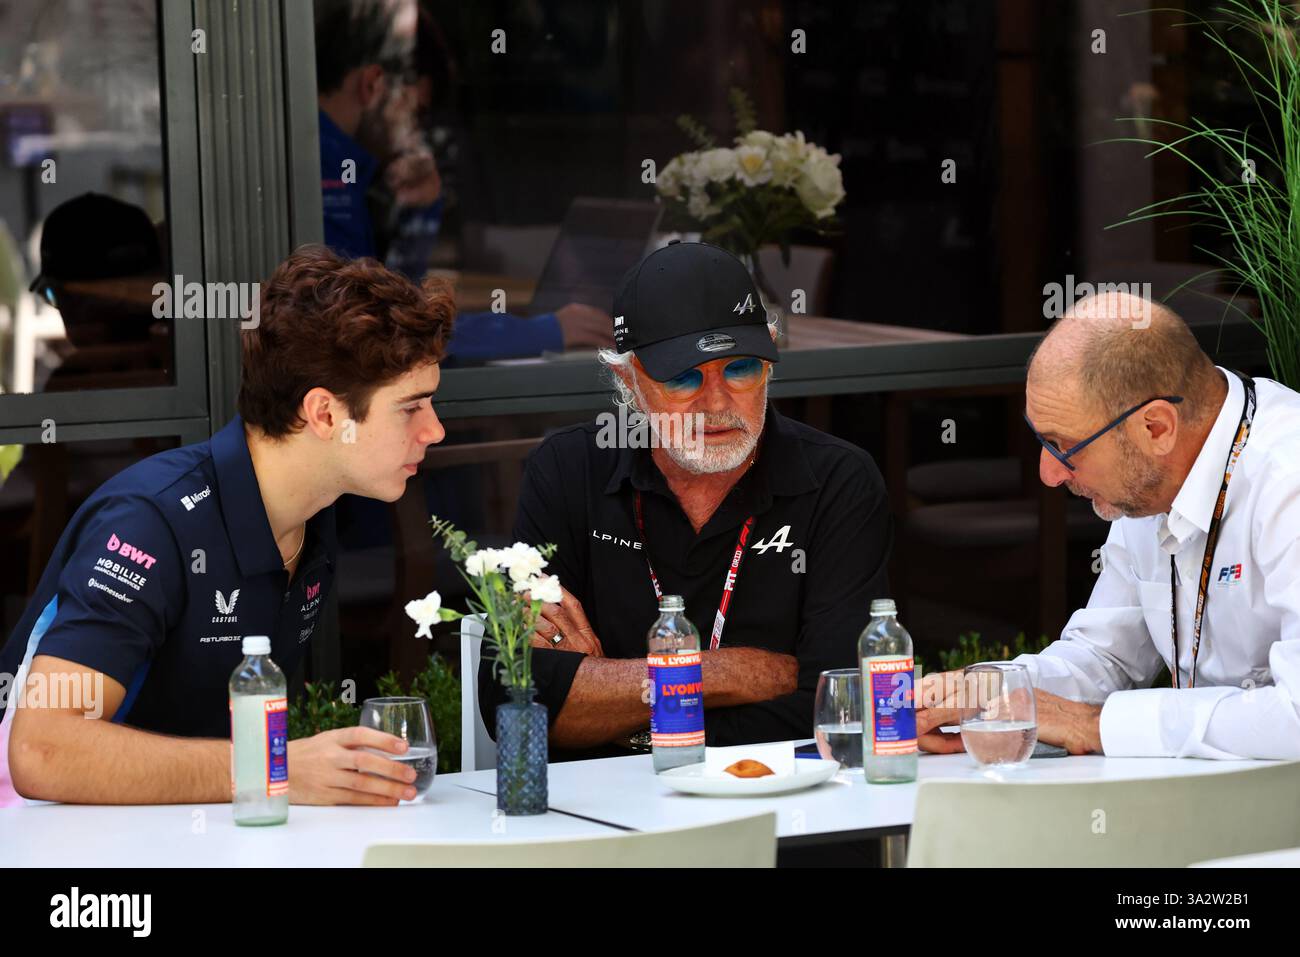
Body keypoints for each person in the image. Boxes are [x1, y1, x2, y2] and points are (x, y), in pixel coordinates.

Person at [0, 245, 452, 805]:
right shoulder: (150, 523)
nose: (435, 431)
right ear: (325, 414)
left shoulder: (316, 513)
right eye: (412, 407)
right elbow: (43, 750)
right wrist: (272, 769)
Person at [478, 241, 893, 760]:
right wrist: (728, 673)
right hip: (599, 815)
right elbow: (513, 702)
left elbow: (838, 708)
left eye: (741, 368)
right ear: (626, 379)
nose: (717, 403)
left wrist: (609, 700)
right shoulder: (569, 470)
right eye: (682, 377)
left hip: (782, 810)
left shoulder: (837, 480)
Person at [918, 292, 1300, 760]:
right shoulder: (1151, 480)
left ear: (1155, 427)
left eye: (1063, 446)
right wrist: (991, 692)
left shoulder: (1288, 478)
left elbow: (1296, 715)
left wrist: (1093, 725)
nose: (1048, 473)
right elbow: (1106, 658)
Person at [313, 0, 612, 362]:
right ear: (372, 85)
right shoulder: (323, 176)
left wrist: (417, 212)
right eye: (417, 113)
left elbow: (401, 302)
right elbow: (387, 329)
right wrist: (544, 331)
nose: (417, 135)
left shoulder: (339, 164)